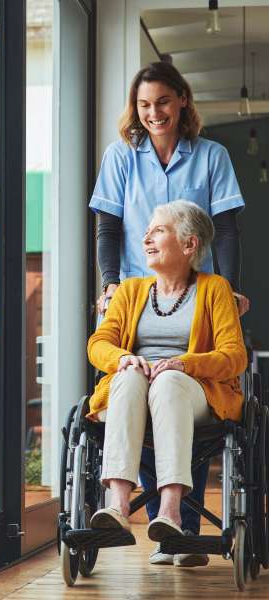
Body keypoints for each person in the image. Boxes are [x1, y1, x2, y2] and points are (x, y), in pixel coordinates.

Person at [89, 61, 249, 566]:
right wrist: (112, 286)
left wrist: (227, 288)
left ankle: (179, 521)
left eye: (162, 101)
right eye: (143, 104)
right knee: (133, 383)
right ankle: (143, 512)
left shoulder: (211, 156)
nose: (153, 112)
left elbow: (225, 228)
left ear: (181, 101)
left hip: (195, 290)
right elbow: (108, 227)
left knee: (176, 384)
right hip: (141, 291)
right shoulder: (122, 156)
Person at [87, 201, 247, 552]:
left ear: (190, 244)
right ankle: (117, 506)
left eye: (157, 230)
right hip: (134, 391)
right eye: (146, 231)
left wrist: (184, 364)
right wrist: (125, 357)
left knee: (168, 381)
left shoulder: (215, 288)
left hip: (193, 392)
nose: (146, 238)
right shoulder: (129, 291)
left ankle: (171, 512)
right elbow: (98, 344)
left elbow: (235, 356)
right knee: (127, 376)